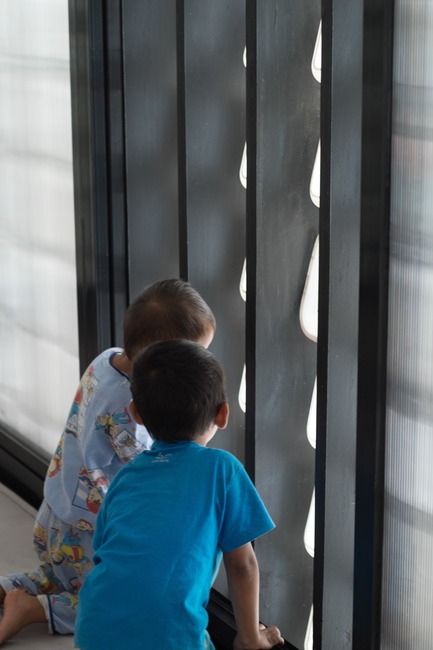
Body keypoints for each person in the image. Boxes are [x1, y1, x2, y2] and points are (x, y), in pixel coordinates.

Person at [0, 279, 216, 645]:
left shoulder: (108, 358)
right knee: (110, 602)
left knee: (57, 573)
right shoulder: (128, 414)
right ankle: (30, 611)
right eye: (195, 358)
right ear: (162, 362)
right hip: (88, 530)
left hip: (54, 513)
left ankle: (10, 589)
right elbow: (150, 478)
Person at [74, 339, 284, 650]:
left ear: (136, 413)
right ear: (223, 414)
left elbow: (104, 547)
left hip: (93, 630)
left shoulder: (126, 476)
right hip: (171, 636)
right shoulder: (222, 469)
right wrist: (250, 637)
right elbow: (243, 565)